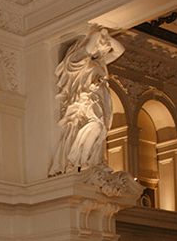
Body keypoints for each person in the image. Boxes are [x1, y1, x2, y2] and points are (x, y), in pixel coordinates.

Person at [49, 26, 124, 175]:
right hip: (86, 100)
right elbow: (89, 47)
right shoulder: (78, 60)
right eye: (99, 46)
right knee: (96, 126)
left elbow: (120, 50)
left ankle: (88, 161)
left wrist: (107, 38)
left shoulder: (100, 62)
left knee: (101, 130)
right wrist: (98, 35)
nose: (102, 49)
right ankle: (78, 161)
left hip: (101, 99)